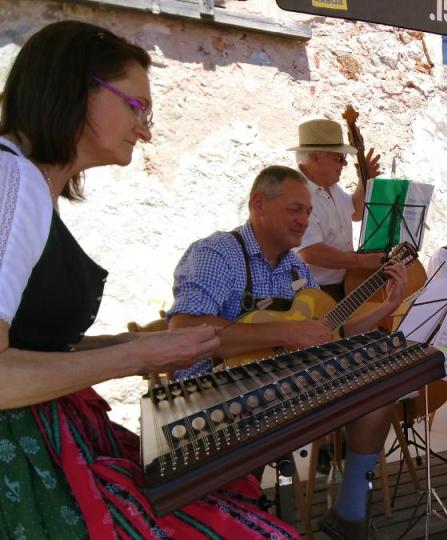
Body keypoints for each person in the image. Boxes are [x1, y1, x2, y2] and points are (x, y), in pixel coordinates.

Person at [0, 21, 302, 538]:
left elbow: (33, 345)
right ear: (78, 90)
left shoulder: (26, 181)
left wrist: (142, 340)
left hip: (50, 430)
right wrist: (141, 356)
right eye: (136, 106)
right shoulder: (14, 180)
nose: (145, 128)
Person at [167, 165, 408, 539]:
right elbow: (183, 329)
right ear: (259, 204)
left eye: (309, 212)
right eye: (295, 210)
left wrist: (386, 306)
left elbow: (330, 327)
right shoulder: (218, 253)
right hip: (212, 397)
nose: (304, 221)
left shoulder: (296, 267)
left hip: (284, 389)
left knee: (380, 389)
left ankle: (348, 514)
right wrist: (284, 330)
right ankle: (243, 519)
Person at [291, 118, 384, 301]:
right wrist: (361, 261)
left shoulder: (331, 187)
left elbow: (356, 213)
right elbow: (310, 252)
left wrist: (365, 180)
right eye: (339, 158)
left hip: (345, 283)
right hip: (318, 291)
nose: (343, 165)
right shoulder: (298, 193)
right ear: (315, 156)